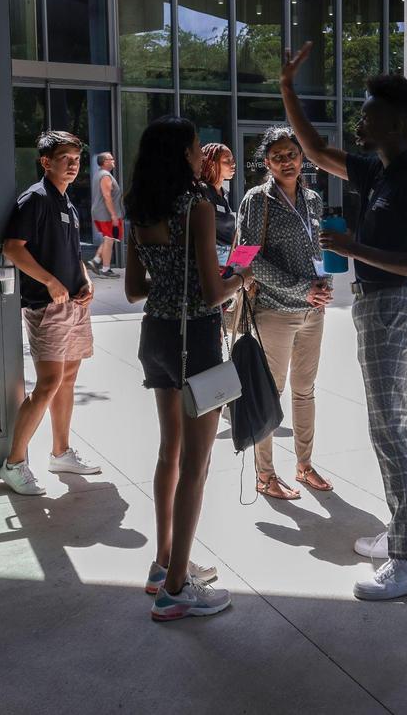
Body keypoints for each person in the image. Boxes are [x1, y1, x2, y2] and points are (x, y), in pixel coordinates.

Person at [282, 41, 407, 601]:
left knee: (390, 426)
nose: (361, 118)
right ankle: (403, 533)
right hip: (377, 305)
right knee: (387, 424)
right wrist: (286, 90)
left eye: (370, 111)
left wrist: (355, 248)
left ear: (396, 123)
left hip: (394, 304)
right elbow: (317, 149)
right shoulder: (378, 169)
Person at [123, 116, 253, 620]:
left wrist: (168, 275)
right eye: (198, 147)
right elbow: (210, 291)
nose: (202, 155)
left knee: (168, 454)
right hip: (194, 340)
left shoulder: (141, 209)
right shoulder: (196, 206)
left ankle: (163, 563)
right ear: (182, 154)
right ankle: (175, 589)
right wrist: (240, 275)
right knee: (196, 466)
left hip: (155, 336)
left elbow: (135, 290)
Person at [0, 130, 101, 496]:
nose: (72, 165)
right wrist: (51, 283)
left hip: (74, 305)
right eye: (65, 159)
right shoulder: (37, 198)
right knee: (47, 385)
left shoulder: (67, 203)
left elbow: (73, 256)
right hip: (47, 307)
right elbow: (12, 248)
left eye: (76, 159)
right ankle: (13, 463)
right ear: (46, 162)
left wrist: (85, 280)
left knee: (68, 379)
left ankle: (60, 453)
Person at [237, 126, 334, 500]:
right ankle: (265, 475)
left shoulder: (313, 199)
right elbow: (244, 259)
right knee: (269, 393)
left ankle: (304, 465)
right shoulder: (256, 201)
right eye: (277, 156)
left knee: (305, 391)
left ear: (302, 157)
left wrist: (323, 282)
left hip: (313, 312)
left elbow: (317, 250)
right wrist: (300, 289)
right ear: (266, 163)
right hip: (276, 312)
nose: (286, 161)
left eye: (291, 154)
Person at [199, 143, 237, 265]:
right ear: (211, 164)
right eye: (227, 161)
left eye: (233, 160)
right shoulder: (202, 192)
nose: (233, 164)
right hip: (216, 256)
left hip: (230, 253)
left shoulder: (224, 193)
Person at [86, 152, 123, 278]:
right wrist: (113, 215)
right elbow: (107, 196)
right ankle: (105, 269)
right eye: (110, 159)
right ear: (104, 162)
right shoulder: (105, 176)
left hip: (101, 212)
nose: (113, 160)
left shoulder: (100, 174)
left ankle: (95, 261)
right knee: (109, 239)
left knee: (109, 238)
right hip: (106, 213)